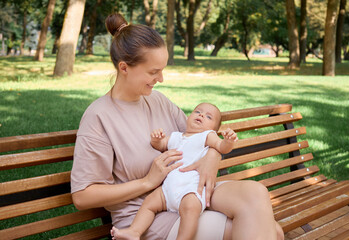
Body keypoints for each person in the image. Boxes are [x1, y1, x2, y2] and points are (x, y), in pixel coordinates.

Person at [71, 12, 284, 240]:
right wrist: (147, 182)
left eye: (162, 69)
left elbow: (197, 137)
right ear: (124, 68)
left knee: (257, 193)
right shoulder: (99, 117)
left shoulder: (159, 101)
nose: (161, 78)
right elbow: (83, 197)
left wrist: (213, 156)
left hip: (189, 191)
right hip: (147, 214)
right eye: (153, 72)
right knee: (269, 232)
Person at [111, 103, 238, 240]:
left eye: (208, 116)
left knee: (190, 210)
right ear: (188, 117)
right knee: (148, 203)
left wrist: (228, 141)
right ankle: (134, 231)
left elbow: (221, 147)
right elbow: (160, 145)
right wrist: (157, 139)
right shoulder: (176, 137)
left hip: (191, 188)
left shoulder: (207, 136)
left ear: (214, 129)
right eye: (197, 111)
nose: (201, 115)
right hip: (167, 189)